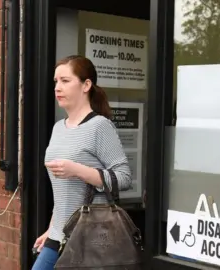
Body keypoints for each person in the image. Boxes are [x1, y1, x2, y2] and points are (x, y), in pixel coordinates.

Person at [31, 55, 132, 270]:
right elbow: (64, 193)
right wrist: (51, 228)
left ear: (86, 85)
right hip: (58, 235)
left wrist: (77, 170)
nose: (58, 87)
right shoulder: (58, 127)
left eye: (65, 81)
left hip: (89, 238)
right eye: (56, 81)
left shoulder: (100, 126)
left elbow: (123, 178)